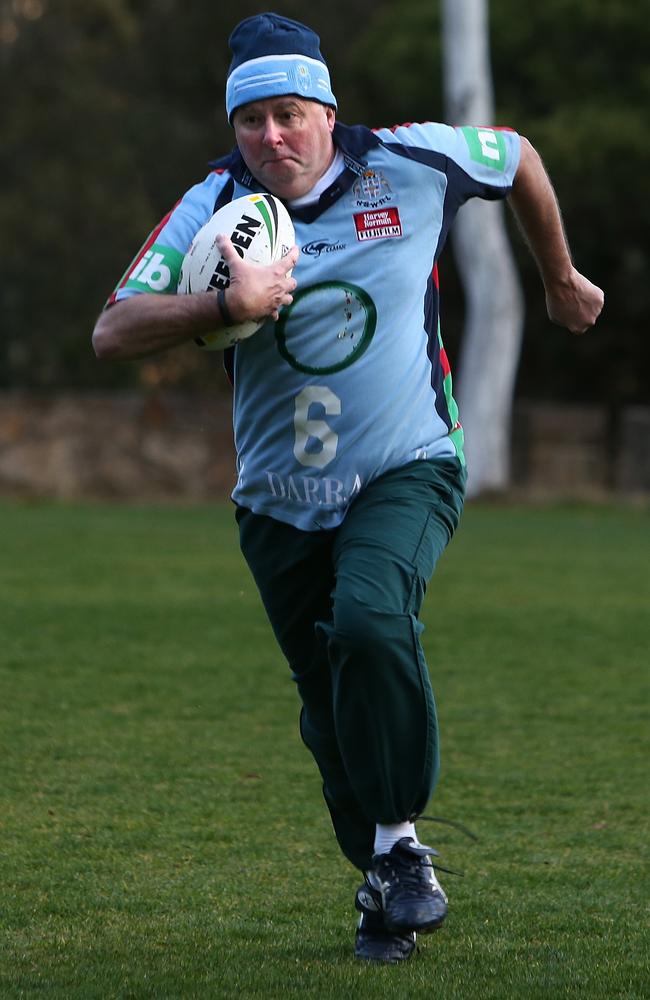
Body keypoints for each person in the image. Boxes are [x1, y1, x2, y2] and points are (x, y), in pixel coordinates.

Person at [92, 12, 604, 964]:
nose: (271, 137)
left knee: (371, 623)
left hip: (408, 466)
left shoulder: (413, 164)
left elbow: (520, 155)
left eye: (290, 114)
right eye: (252, 121)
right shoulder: (213, 204)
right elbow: (112, 331)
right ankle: (381, 880)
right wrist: (224, 305)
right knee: (328, 708)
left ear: (328, 110)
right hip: (276, 501)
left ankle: (403, 843)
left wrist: (562, 279)